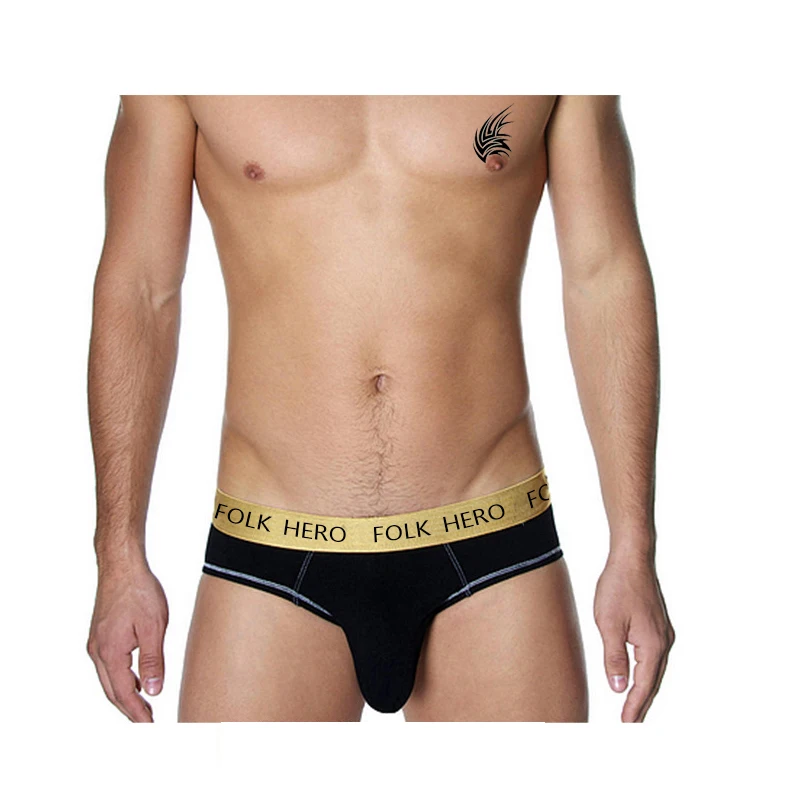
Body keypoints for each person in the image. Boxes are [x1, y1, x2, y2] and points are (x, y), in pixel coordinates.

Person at [86, 95, 674, 722]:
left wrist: (633, 546)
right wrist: (117, 556)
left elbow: (602, 274)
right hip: (270, 540)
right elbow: (141, 289)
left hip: (492, 537)